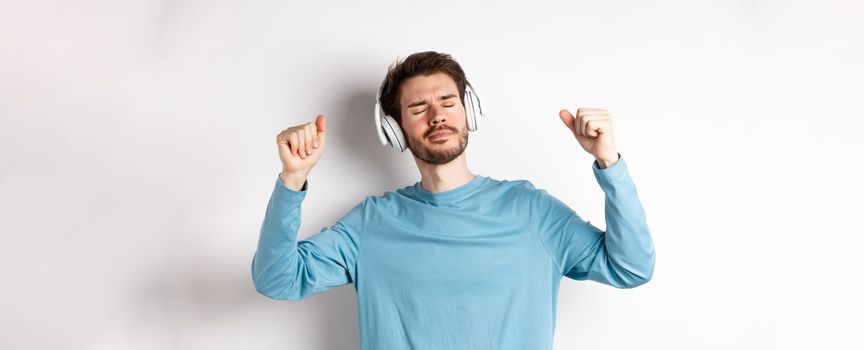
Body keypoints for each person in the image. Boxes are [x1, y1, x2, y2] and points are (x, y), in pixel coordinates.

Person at [251, 51, 655, 349]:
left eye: (448, 102)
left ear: (469, 113)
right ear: (395, 129)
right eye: (418, 108)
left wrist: (609, 163)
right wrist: (293, 181)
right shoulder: (370, 224)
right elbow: (277, 279)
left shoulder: (531, 211)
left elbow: (632, 267)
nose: (437, 116)